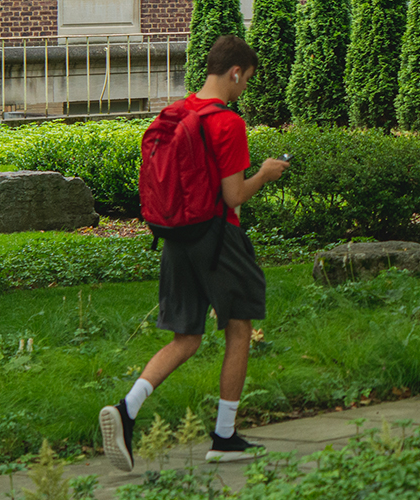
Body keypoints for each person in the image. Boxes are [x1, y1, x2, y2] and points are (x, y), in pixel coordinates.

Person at [99, 35, 289, 472]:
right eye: (246, 82)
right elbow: (234, 194)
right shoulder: (227, 123)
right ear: (235, 72)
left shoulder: (178, 111)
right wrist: (265, 172)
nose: (244, 90)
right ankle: (224, 435)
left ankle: (126, 410)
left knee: (186, 337)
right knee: (239, 327)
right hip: (218, 237)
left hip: (175, 237)